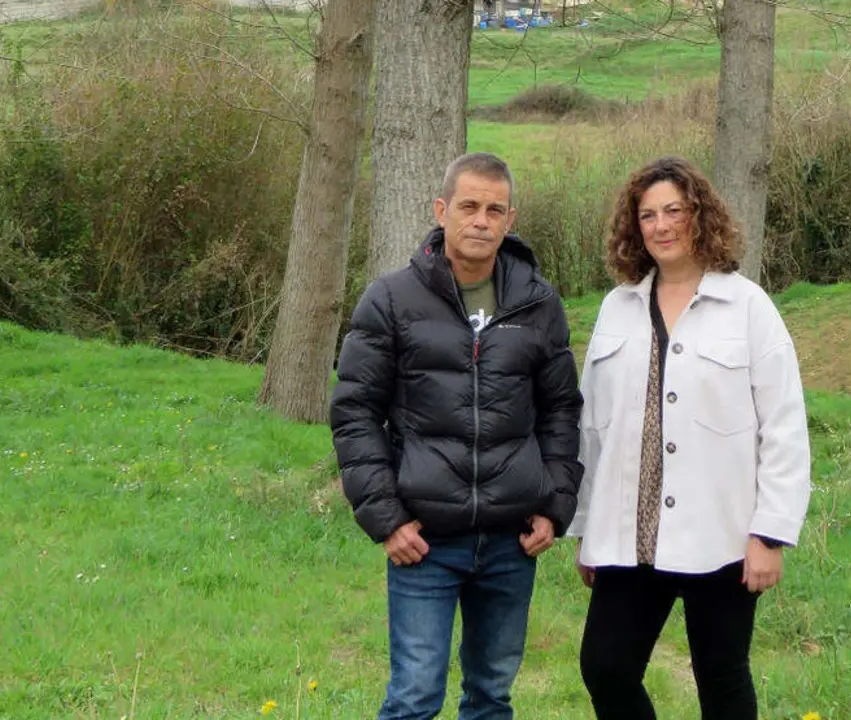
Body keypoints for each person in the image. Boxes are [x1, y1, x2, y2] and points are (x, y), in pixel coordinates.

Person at [331, 152, 584, 720]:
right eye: (469, 206)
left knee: (491, 696)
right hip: (425, 540)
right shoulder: (391, 300)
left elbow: (561, 411)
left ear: (510, 220)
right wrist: (387, 518)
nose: (481, 221)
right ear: (441, 210)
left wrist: (554, 506)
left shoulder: (538, 304)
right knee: (415, 697)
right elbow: (355, 413)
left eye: (495, 210)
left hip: (511, 540)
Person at [568, 156, 812, 719]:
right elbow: (592, 427)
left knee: (722, 680)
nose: (661, 225)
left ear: (700, 216)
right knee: (605, 668)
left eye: (674, 211)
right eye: (648, 215)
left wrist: (770, 534)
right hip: (629, 534)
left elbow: (783, 424)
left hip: (720, 534)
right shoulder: (616, 307)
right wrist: (586, 528)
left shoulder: (747, 307)